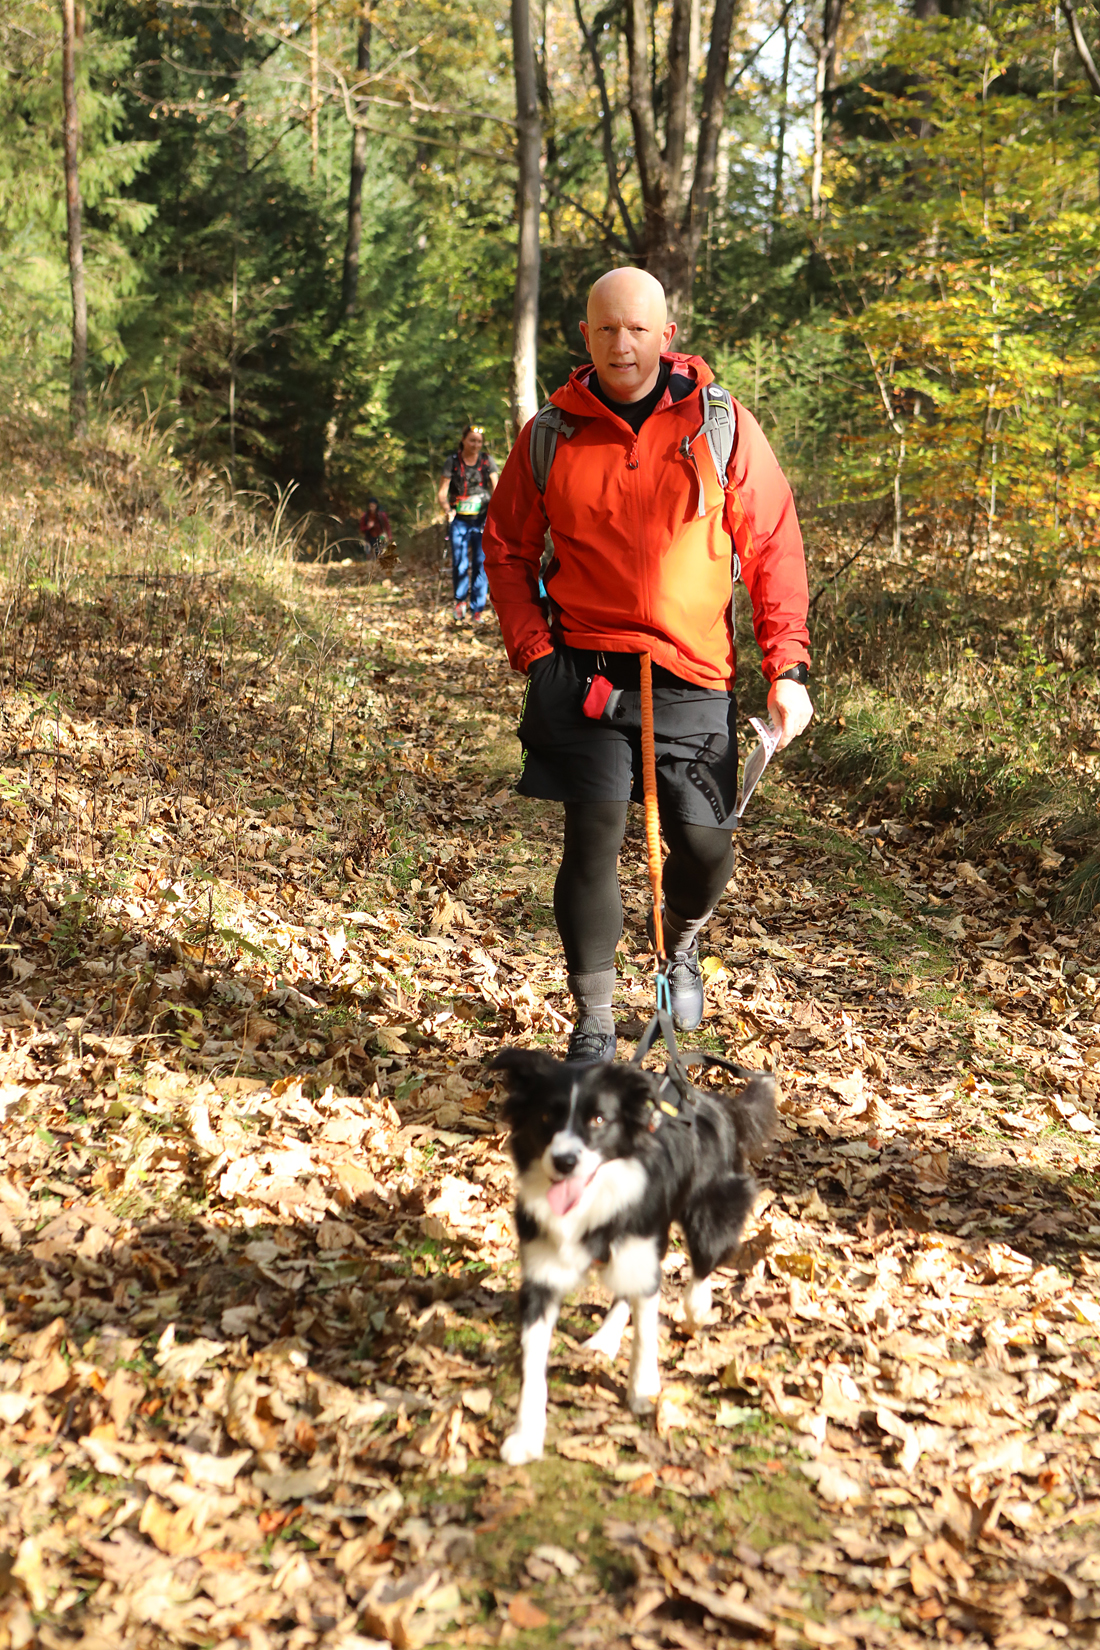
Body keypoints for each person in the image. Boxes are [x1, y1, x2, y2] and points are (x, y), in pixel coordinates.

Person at [483, 267, 813, 1063]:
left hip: (693, 674)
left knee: (705, 847)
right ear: (586, 336)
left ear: (666, 336)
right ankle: (594, 1019)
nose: (622, 344)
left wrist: (787, 667)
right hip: (585, 673)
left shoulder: (720, 424)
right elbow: (506, 548)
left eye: (637, 329)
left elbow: (772, 544)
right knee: (592, 835)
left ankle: (683, 940)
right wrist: (535, 652)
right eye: (606, 329)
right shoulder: (551, 434)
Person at [438, 424, 499, 622]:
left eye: (479, 441)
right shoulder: (452, 461)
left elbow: (497, 488)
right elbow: (442, 493)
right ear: (463, 440)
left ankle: (477, 609)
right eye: (472, 440)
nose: (475, 445)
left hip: (482, 520)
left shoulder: (487, 461)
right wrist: (447, 510)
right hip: (459, 520)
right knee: (460, 563)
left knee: (481, 563)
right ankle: (460, 602)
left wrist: (496, 513)